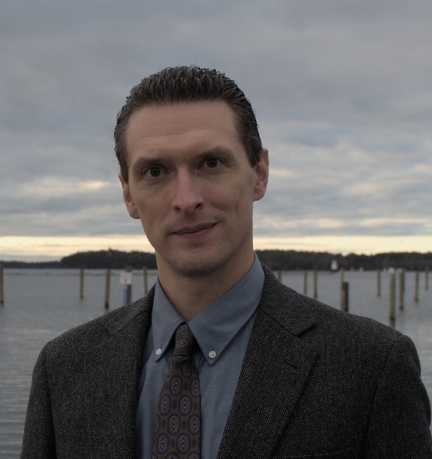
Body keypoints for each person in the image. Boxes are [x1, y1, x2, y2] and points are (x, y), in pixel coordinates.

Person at [22, 66, 431, 459]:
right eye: (155, 171)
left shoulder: (371, 366)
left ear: (259, 174)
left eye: (211, 163)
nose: (186, 199)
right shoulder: (64, 369)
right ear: (128, 195)